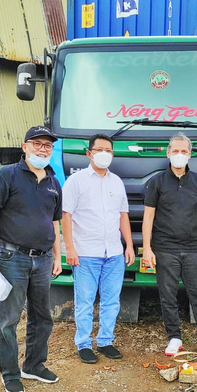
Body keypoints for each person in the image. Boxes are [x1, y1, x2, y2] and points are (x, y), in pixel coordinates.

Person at [0, 125, 63, 392]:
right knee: (10, 319)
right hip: (11, 257)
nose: (43, 149)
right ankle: (10, 373)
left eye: (48, 145)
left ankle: (34, 365)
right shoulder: (7, 175)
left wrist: (57, 255)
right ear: (24, 146)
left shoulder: (53, 183)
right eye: (37, 144)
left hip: (43, 260)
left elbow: (54, 223)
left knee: (42, 317)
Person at [142, 132, 197, 360]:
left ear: (190, 155)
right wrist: (147, 248)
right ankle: (174, 337)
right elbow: (148, 217)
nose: (179, 155)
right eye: (175, 151)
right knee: (167, 295)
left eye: (184, 151)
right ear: (168, 153)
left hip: (192, 248)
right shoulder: (156, 182)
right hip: (164, 248)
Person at [61, 134, 135, 364]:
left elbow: (123, 216)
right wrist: (70, 248)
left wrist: (129, 245)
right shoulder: (76, 181)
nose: (105, 154)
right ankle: (83, 343)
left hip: (113, 253)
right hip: (85, 253)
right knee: (84, 300)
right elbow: (66, 216)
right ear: (89, 153)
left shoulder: (117, 182)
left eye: (109, 150)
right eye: (100, 149)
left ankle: (105, 341)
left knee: (111, 300)